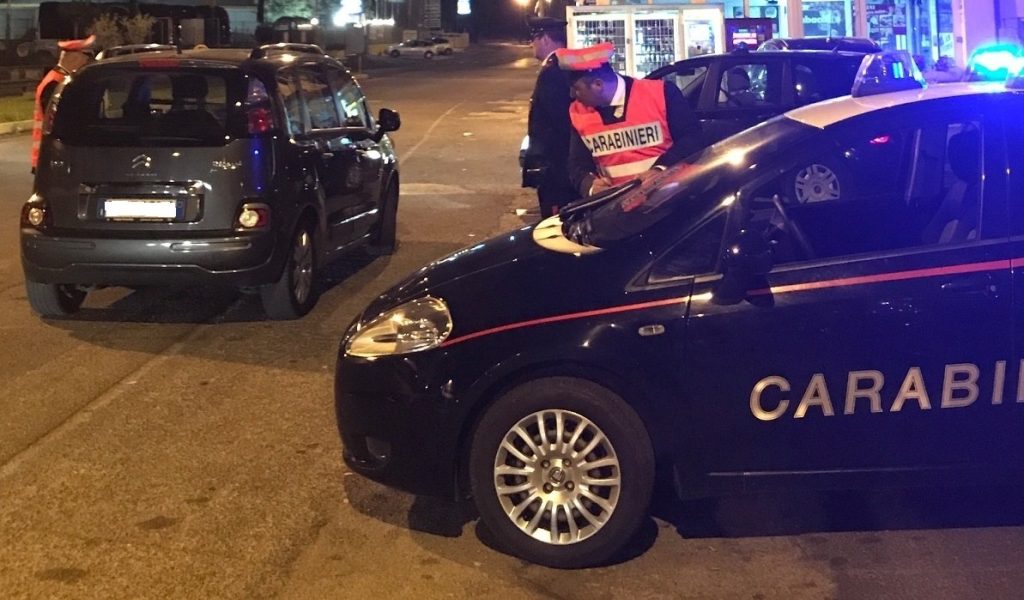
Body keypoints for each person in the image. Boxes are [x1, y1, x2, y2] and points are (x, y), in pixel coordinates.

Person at [559, 42, 703, 198]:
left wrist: (660, 169)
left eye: (576, 88)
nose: (572, 95)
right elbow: (577, 165)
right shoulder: (578, 111)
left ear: (598, 85)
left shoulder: (661, 93)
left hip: (668, 199)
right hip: (617, 205)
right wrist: (590, 185)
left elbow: (692, 140)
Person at [522, 17, 578, 217]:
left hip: (557, 169)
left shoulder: (552, 72)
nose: (532, 44)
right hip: (562, 167)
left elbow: (560, 121)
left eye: (534, 39)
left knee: (555, 220)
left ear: (545, 39)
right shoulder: (563, 65)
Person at [32, 35, 95, 172]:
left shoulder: (59, 79)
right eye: (85, 60)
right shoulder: (54, 83)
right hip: (51, 157)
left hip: (54, 155)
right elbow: (59, 120)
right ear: (74, 58)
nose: (85, 64)